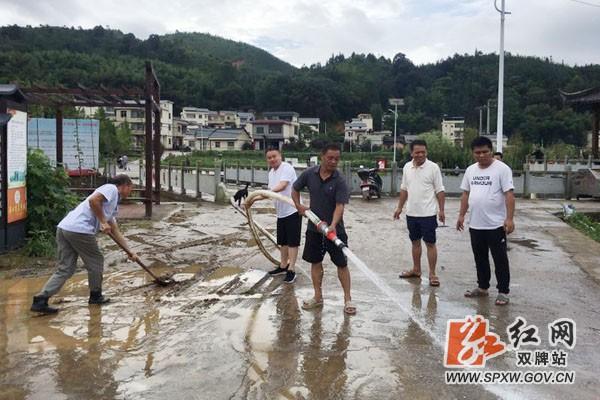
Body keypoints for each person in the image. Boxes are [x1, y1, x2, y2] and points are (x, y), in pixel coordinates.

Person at [30, 174, 140, 314]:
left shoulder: (113, 205)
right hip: (80, 230)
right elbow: (94, 201)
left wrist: (130, 252)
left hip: (65, 228)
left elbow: (115, 231)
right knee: (96, 261)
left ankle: (40, 299)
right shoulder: (111, 188)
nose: (130, 191)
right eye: (130, 188)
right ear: (124, 185)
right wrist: (102, 221)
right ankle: (95, 296)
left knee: (66, 268)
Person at [292, 143, 355, 315]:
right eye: (330, 158)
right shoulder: (309, 174)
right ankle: (318, 296)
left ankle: (348, 299)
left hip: (335, 231)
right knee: (315, 262)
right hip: (314, 228)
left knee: (342, 264)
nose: (333, 161)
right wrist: (299, 206)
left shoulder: (340, 180)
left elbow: (340, 206)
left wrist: (333, 226)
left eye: (337, 158)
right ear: (322, 156)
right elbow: (295, 188)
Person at [457, 137, 515, 306]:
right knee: (480, 257)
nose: (481, 155)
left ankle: (503, 291)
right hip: (476, 224)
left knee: (500, 259)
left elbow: (509, 195)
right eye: (477, 152)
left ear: (491, 151)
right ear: (473, 153)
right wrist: (461, 215)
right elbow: (465, 194)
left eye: (485, 152)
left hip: (496, 224)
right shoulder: (470, 170)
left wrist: (509, 219)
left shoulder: (502, 169)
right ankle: (482, 288)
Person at [394, 139, 445, 286]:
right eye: (417, 152)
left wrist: (441, 210)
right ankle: (416, 270)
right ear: (412, 153)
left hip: (428, 214)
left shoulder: (433, 168)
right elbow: (404, 189)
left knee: (430, 243)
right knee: (415, 242)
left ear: (426, 152)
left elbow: (440, 190)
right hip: (411, 214)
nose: (420, 155)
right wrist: (399, 207)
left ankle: (433, 274)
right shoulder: (407, 167)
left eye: (423, 152)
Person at [265, 147, 301, 284]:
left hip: (292, 210)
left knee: (292, 242)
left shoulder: (287, 168)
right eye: (269, 158)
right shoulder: (271, 173)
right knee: (283, 241)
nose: (272, 159)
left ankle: (291, 269)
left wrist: (265, 192)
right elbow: (271, 191)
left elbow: (282, 186)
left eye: (274, 156)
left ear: (280, 156)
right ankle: (283, 265)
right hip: (281, 213)